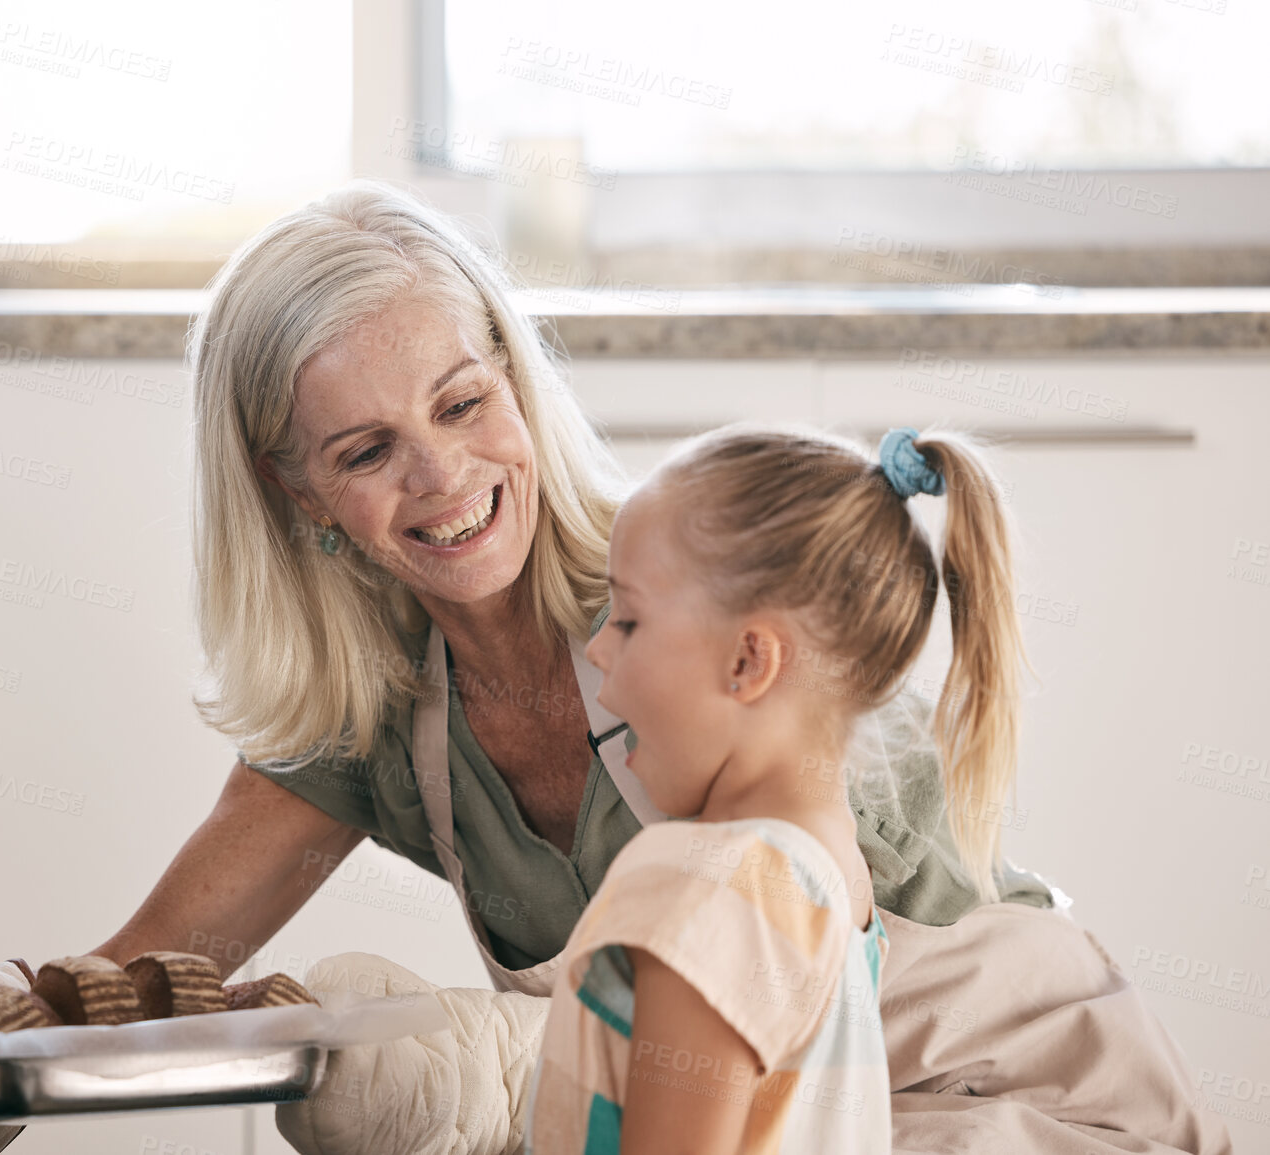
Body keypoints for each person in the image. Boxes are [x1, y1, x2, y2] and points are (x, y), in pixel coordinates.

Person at [88, 182, 1039, 995]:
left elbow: (779, 1039)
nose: (442, 474)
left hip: (997, 1096)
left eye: (461, 404)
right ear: (296, 489)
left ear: (513, 377)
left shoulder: (693, 610)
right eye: (368, 450)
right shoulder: (372, 714)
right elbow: (132, 979)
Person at [528, 424, 1020, 1154]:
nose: (597, 648)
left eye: (628, 619)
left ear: (747, 660)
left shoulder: (714, 886)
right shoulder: (835, 875)